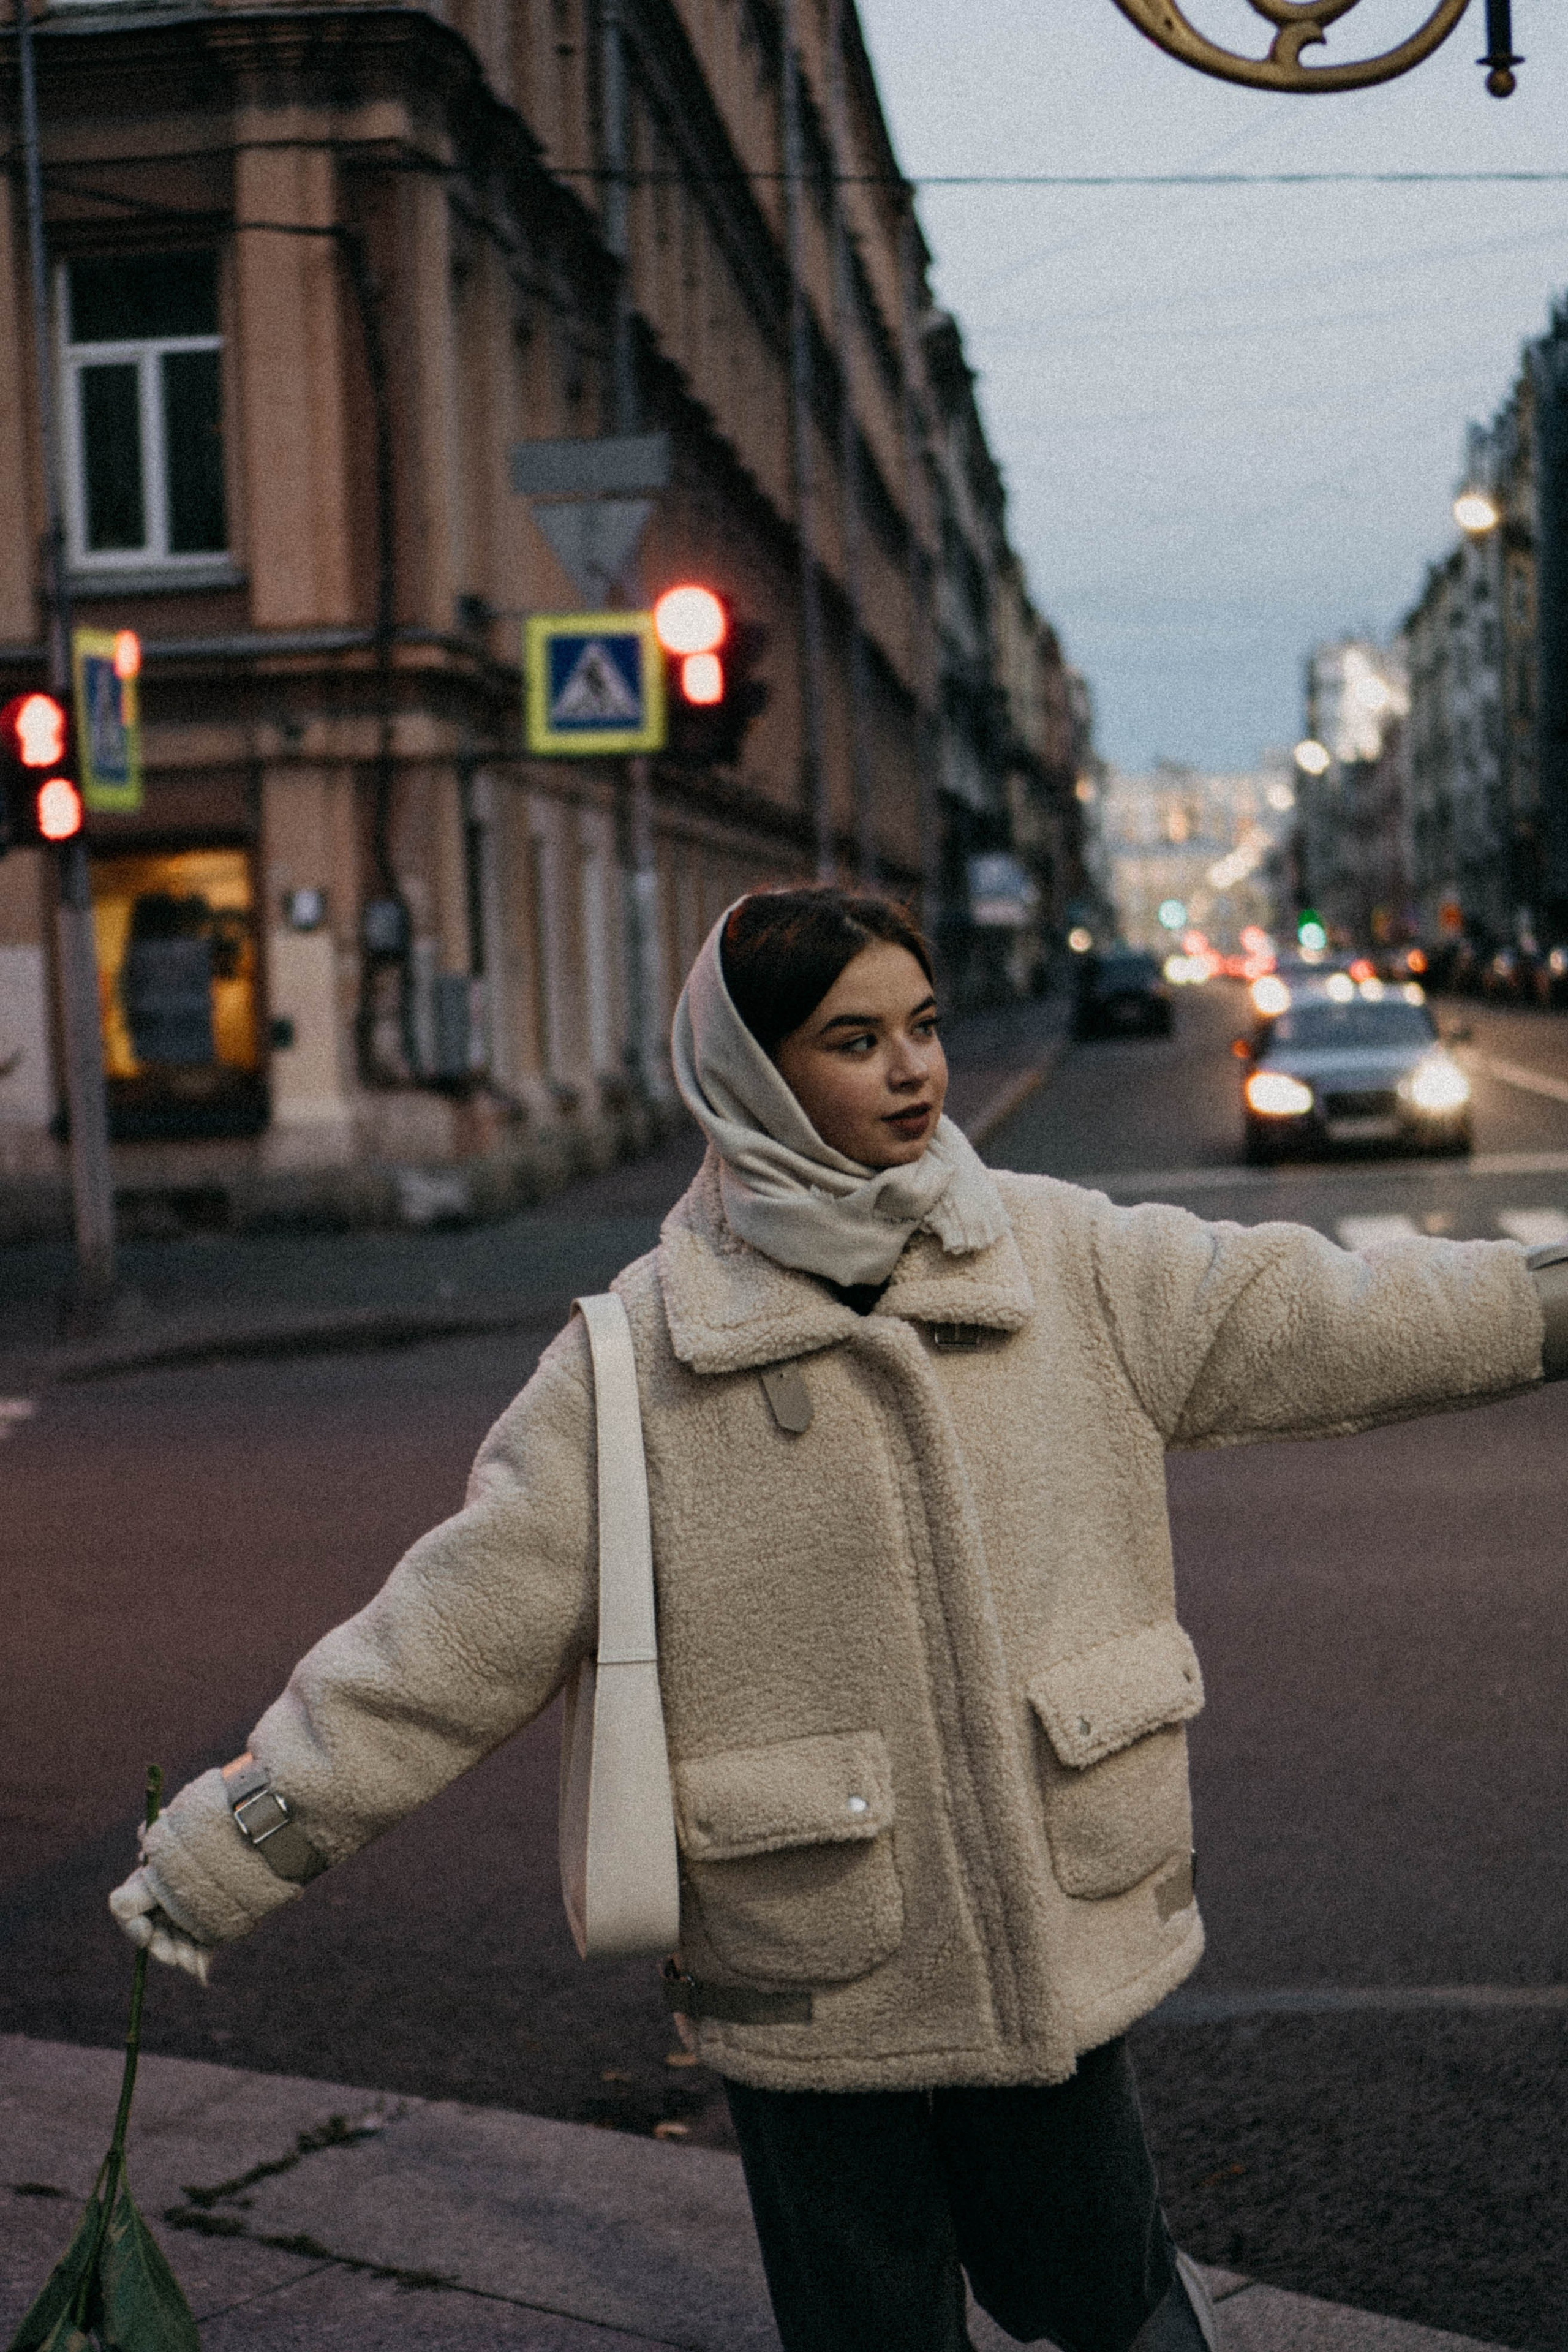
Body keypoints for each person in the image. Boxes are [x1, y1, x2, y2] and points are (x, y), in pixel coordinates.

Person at [110, 886, 1567, 2352]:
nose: (914, 1070)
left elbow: (1334, 1313)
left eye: (921, 1026)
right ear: (750, 1074)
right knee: (867, 2325)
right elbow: (446, 1638)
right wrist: (226, 1853)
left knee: (1107, 2293)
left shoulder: (1063, 1260)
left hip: (1051, 1927)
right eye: (853, 1040)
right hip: (811, 1960)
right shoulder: (639, 1358)